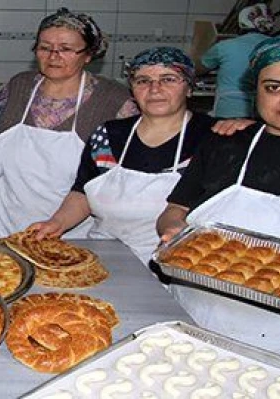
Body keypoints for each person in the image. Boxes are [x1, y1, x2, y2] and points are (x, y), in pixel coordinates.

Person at [156, 35, 280, 372]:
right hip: (197, 323)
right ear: (255, 91)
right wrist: (173, 231)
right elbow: (176, 209)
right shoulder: (224, 141)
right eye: (274, 87)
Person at [30, 47, 217, 266]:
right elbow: (82, 193)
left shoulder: (214, 137)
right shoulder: (108, 135)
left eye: (168, 79)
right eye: (142, 81)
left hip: (172, 265)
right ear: (132, 89)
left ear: (189, 88)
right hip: (101, 260)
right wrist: (57, 223)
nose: (155, 89)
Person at [0, 8, 135, 239]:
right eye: (45, 47)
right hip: (7, 228)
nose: (53, 56)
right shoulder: (17, 87)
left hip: (75, 236)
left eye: (66, 49)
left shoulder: (114, 101)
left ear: (88, 55)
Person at [199, 3, 274, 118]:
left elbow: (198, 69)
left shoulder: (225, 46)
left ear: (241, 24)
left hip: (229, 109)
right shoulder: (279, 47)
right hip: (265, 111)